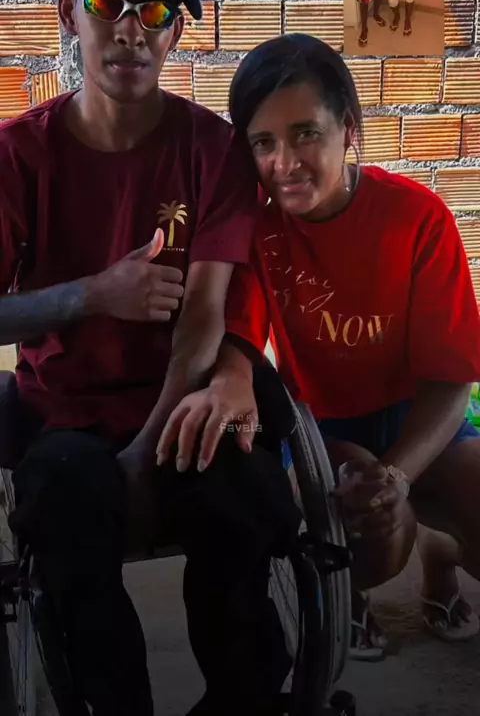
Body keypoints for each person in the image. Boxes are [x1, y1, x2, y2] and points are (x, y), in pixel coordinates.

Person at [0, 0, 301, 716]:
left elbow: (205, 314)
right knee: (63, 501)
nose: (131, 30)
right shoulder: (18, 157)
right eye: (109, 3)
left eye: (158, 12)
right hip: (66, 416)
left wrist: (142, 456)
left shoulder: (213, 149)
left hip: (183, 401)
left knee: (248, 498)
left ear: (176, 32)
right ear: (70, 12)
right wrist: (92, 294)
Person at [162, 33, 480, 659]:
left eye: (306, 133)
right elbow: (240, 337)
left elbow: (451, 381)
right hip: (325, 423)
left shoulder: (417, 219)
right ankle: (353, 593)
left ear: (349, 130)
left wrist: (399, 474)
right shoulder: (258, 230)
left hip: (420, 418)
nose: (285, 162)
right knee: (371, 533)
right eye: (263, 142)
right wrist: (229, 379)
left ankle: (442, 555)